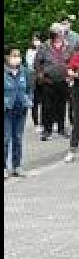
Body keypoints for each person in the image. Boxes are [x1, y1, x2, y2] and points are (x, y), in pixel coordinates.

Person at [34, 24, 73, 140]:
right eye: (59, 32)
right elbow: (37, 62)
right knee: (47, 105)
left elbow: (72, 61)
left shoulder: (68, 46)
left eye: (63, 32)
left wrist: (70, 74)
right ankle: (47, 130)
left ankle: (61, 128)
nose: (61, 34)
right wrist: (41, 75)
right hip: (48, 80)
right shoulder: (44, 46)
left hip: (63, 80)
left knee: (61, 105)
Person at [4, 48, 35, 178]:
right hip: (6, 110)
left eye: (18, 55)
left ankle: (17, 166)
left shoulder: (25, 72)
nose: (17, 58)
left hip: (21, 109)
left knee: (18, 138)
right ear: (6, 57)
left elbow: (30, 88)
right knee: (5, 138)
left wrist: (29, 100)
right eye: (14, 56)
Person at [25, 34, 42, 128]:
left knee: (44, 100)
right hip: (33, 76)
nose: (36, 41)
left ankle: (45, 121)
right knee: (34, 99)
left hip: (43, 77)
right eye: (34, 39)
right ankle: (36, 122)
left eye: (37, 39)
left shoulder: (44, 50)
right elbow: (30, 64)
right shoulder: (29, 51)